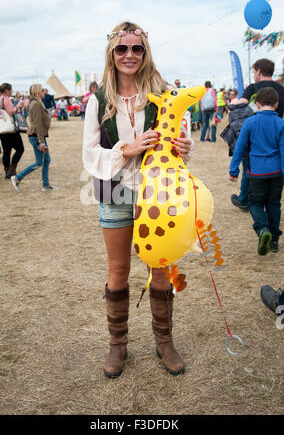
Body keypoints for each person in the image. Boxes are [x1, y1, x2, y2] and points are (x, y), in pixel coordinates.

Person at [82, 21, 193, 379]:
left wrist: (184, 147)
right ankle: (118, 344)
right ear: (112, 53)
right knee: (118, 270)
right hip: (115, 192)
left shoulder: (163, 93)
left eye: (137, 49)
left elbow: (180, 141)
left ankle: (164, 341)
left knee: (160, 268)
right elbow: (89, 154)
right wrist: (125, 150)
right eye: (122, 49)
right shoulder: (99, 99)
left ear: (145, 53)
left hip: (158, 192)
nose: (129, 55)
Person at [229, 87, 284, 255]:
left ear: (257, 104)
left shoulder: (250, 122)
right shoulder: (281, 123)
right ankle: (274, 241)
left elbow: (239, 147)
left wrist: (234, 169)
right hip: (276, 173)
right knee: (274, 204)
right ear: (276, 104)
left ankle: (262, 229)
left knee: (255, 203)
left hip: (256, 173)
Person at [11, 84, 59, 193]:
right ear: (37, 91)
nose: (44, 92)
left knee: (46, 160)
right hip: (36, 136)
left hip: (37, 136)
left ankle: (45, 185)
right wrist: (41, 141)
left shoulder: (37, 103)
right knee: (39, 162)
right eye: (42, 90)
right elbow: (38, 124)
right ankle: (18, 178)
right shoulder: (36, 104)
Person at [220, 88, 253, 211]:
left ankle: (244, 200)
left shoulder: (232, 111)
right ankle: (250, 199)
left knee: (246, 172)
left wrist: (233, 170)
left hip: (244, 147)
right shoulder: (249, 109)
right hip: (255, 144)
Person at [0, 83, 24, 179]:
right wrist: (18, 105)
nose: (12, 91)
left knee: (6, 151)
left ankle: (7, 171)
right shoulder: (6, 100)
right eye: (11, 90)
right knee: (20, 149)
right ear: (7, 90)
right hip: (10, 130)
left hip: (2, 130)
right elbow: (11, 113)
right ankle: (12, 170)